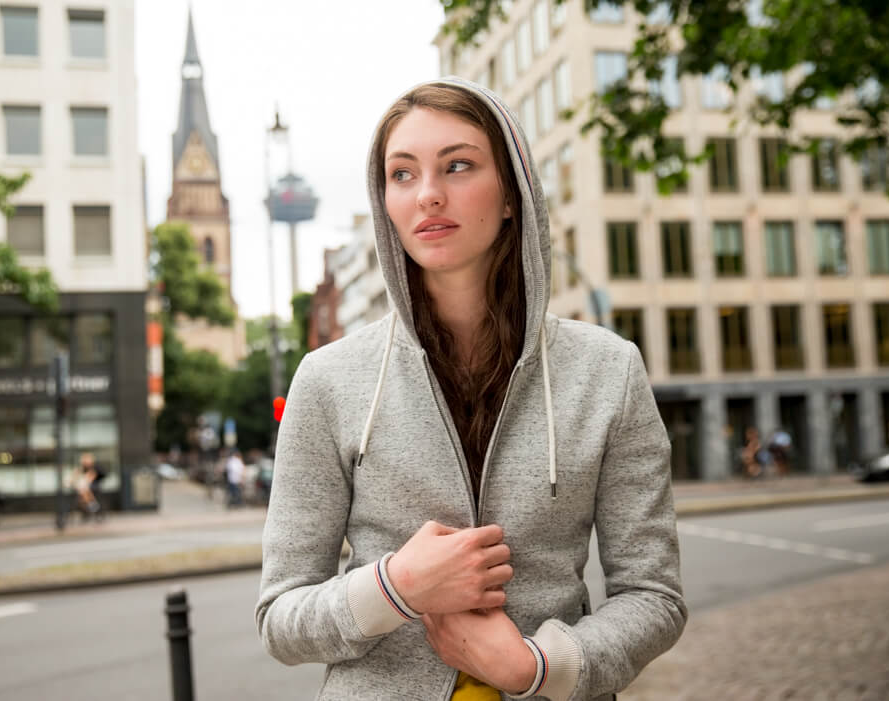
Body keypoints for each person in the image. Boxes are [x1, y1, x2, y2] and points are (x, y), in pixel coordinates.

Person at [256, 79, 686, 700]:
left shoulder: (608, 371)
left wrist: (537, 667)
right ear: (385, 203)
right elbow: (281, 618)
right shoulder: (327, 380)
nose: (428, 194)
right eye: (402, 175)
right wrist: (396, 587)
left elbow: (654, 596)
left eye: (457, 166)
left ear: (511, 193)